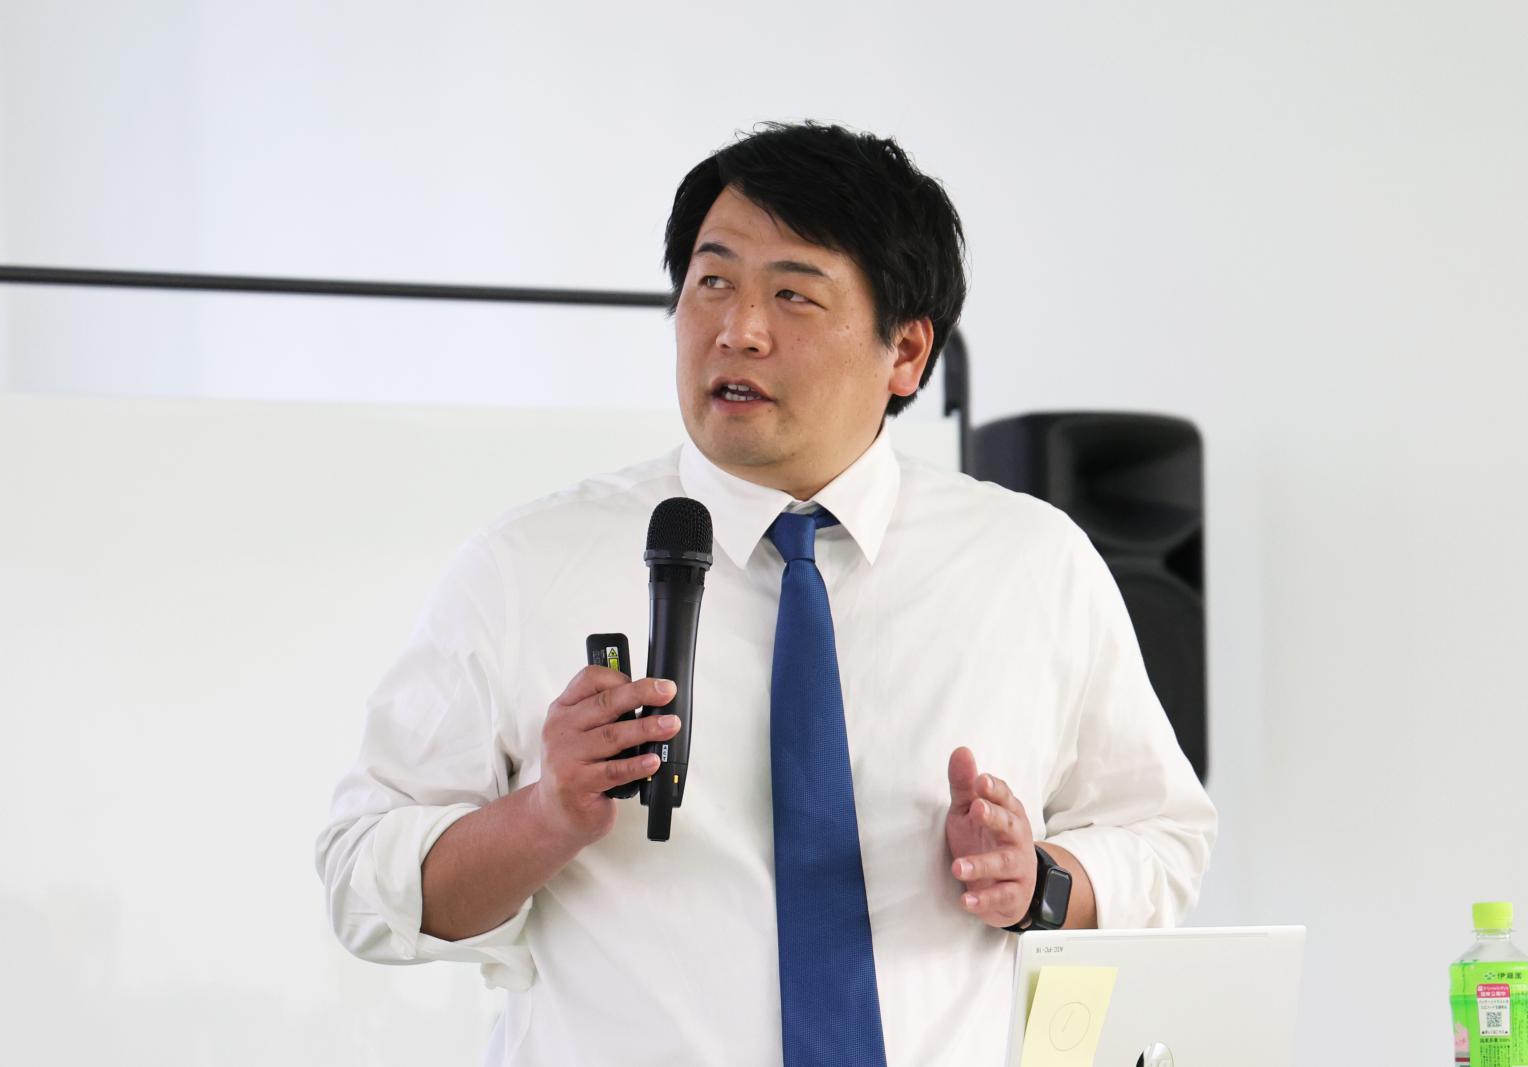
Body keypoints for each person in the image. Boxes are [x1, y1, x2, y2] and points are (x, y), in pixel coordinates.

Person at [315, 121, 1216, 1065]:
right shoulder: (526, 565)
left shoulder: (1031, 563)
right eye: (712, 282)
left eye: (793, 294)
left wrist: (1040, 883)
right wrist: (542, 817)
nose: (737, 329)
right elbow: (358, 881)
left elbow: (1162, 837)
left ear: (907, 352)